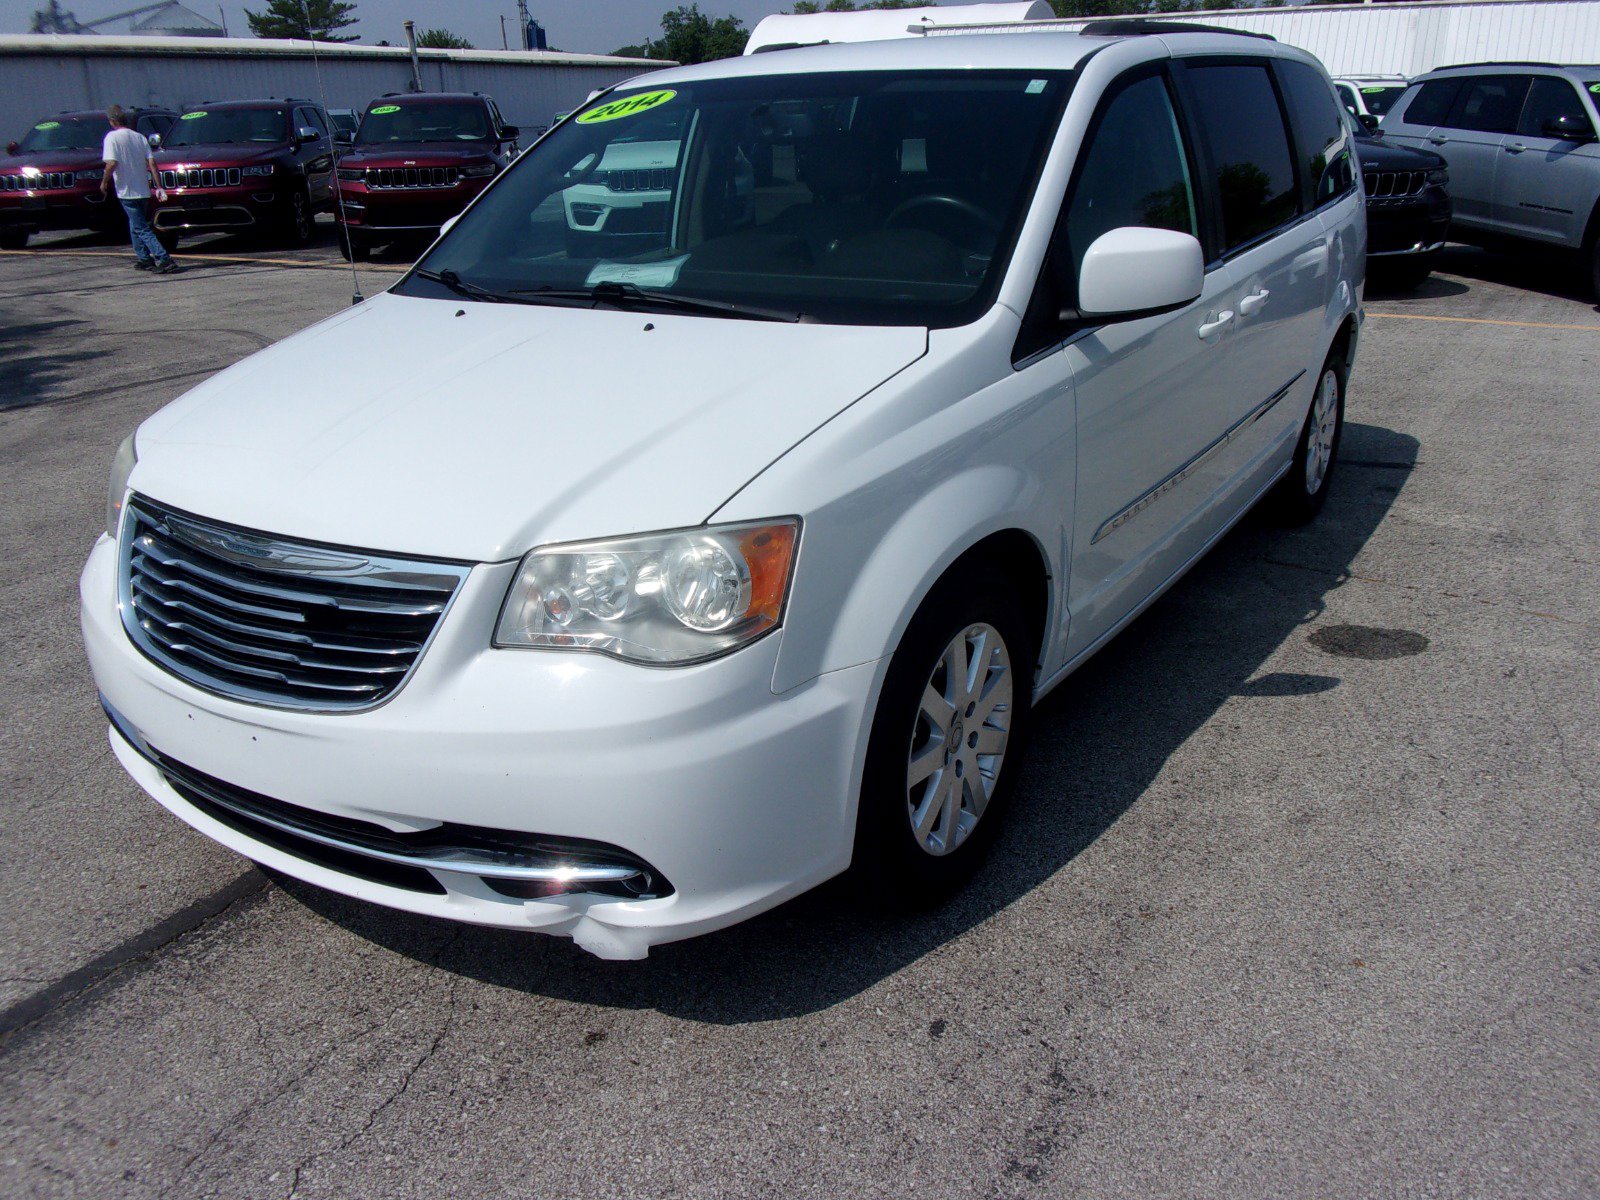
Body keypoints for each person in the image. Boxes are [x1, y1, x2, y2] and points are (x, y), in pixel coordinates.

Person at [100, 105, 179, 274]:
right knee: (135, 223)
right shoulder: (139, 137)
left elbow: (111, 163)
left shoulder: (111, 138)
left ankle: (164, 258)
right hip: (143, 189)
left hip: (126, 189)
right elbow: (151, 163)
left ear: (112, 121)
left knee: (141, 227)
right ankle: (144, 258)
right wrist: (159, 186)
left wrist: (104, 182)